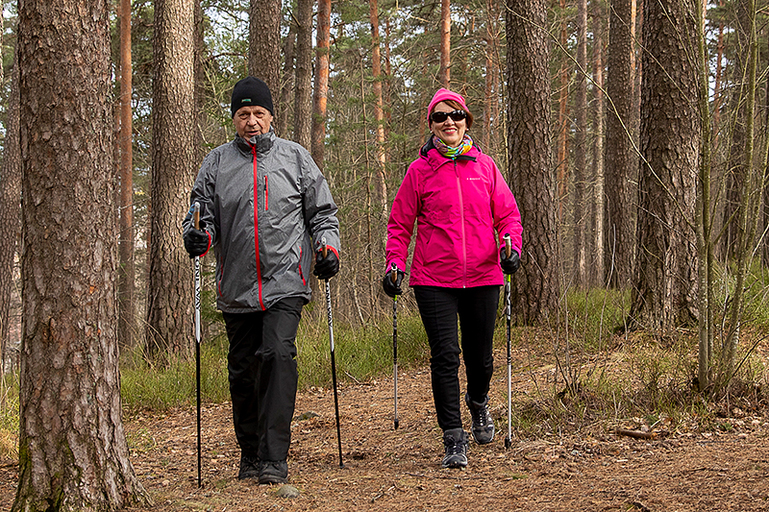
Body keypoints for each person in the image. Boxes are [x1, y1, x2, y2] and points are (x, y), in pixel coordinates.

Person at [182, 76, 340, 485]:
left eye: (258, 114)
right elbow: (201, 215)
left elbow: (322, 213)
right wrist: (197, 235)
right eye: (243, 114)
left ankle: (274, 457)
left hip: (287, 279)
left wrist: (328, 248)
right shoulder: (216, 162)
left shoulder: (295, 158)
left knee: (277, 354)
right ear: (233, 118)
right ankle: (249, 453)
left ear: (271, 117)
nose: (251, 121)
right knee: (241, 370)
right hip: (236, 287)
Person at [382, 88, 522, 469]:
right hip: (433, 279)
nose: (449, 122)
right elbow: (400, 224)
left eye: (456, 115)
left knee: (481, 358)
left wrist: (512, 248)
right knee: (445, 356)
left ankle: (478, 402)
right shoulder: (419, 171)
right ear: (431, 124)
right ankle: (453, 437)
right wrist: (395, 264)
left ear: (466, 122)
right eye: (441, 116)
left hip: (483, 274)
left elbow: (508, 216)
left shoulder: (486, 167)